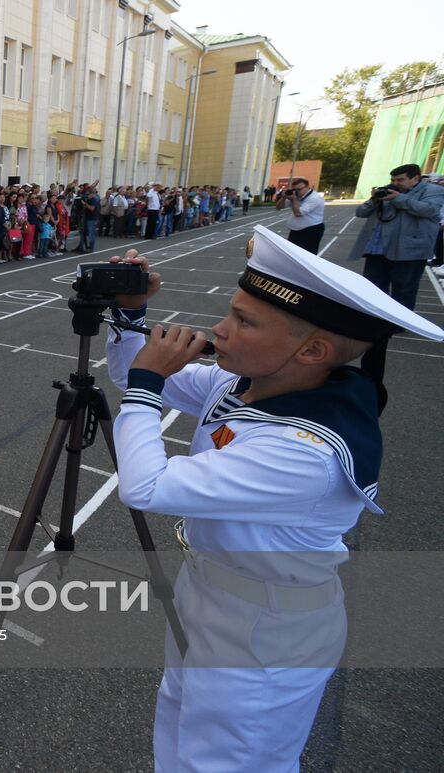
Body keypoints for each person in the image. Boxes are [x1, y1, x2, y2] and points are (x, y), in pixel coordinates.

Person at [104, 224, 443, 773]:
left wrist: (146, 385)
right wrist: (130, 319)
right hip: (210, 591)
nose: (220, 328)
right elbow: (131, 374)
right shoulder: (248, 381)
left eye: (244, 321)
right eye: (231, 312)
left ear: (312, 350)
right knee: (179, 727)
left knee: (230, 759)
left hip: (265, 628)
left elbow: (145, 486)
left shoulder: (304, 450)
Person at [348, 163, 444, 409]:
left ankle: (397, 323)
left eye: (401, 179)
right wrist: (374, 199)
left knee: (404, 288)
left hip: (408, 250)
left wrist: (399, 198)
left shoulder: (431, 191)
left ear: (414, 178)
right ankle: (374, 317)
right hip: (377, 248)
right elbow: (361, 213)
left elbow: (430, 211)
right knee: (371, 288)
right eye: (395, 179)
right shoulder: (387, 193)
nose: (396, 183)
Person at [275, 177, 325, 254]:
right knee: (293, 253)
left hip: (311, 230)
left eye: (299, 189)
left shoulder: (315, 198)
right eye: (294, 190)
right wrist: (284, 197)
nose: (296, 192)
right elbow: (278, 207)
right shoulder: (296, 196)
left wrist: (294, 199)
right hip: (296, 230)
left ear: (308, 187)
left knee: (307, 254)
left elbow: (298, 213)